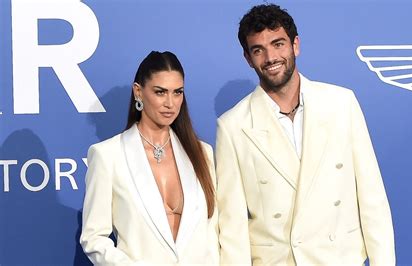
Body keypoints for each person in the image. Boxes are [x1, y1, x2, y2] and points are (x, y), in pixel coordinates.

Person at [216, 4, 395, 265]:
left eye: (278, 44)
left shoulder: (341, 104)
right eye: (258, 50)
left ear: (295, 45)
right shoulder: (233, 126)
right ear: (248, 58)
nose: (270, 58)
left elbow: (372, 199)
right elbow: (232, 227)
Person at [80, 51, 218, 265]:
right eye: (160, 92)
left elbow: (212, 232)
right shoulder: (108, 156)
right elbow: (94, 238)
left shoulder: (202, 153)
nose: (170, 103)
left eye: (177, 92)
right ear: (138, 92)